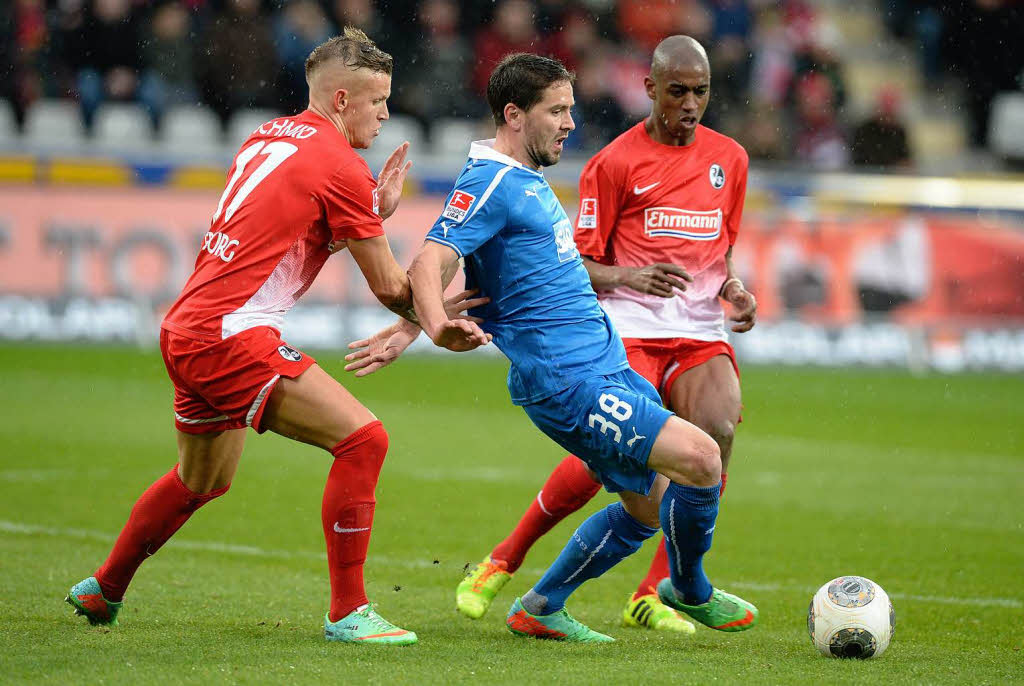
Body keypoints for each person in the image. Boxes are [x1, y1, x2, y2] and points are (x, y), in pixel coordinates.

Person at [65, 27, 489, 647]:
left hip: (188, 326)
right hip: (232, 333)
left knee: (202, 480)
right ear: (342, 100)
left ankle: (104, 589)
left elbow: (297, 222)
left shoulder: (270, 135)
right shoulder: (339, 164)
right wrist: (435, 318)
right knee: (364, 440)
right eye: (377, 101)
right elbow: (392, 287)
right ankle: (349, 611)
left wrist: (371, 209)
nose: (387, 112)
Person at [354, 49, 759, 642]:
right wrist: (435, 327)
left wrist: (413, 323)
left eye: (571, 110)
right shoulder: (491, 179)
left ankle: (541, 605)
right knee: (702, 459)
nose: (571, 123)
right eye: (558, 111)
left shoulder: (525, 181)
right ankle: (688, 589)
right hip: (568, 381)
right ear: (515, 115)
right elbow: (433, 256)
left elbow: (479, 276)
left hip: (604, 365)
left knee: (655, 505)